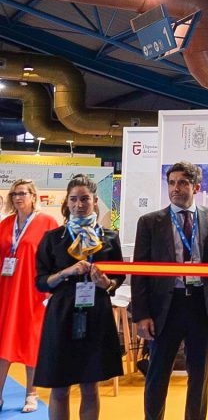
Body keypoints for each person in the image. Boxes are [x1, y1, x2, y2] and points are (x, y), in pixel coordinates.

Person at [132, 161, 208, 420]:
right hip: (165, 307)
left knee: (199, 376)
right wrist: (142, 315)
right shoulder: (150, 222)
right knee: (157, 374)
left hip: (201, 305)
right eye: (172, 183)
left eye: (183, 183)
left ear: (196, 187)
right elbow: (139, 272)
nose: (176, 188)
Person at [34, 174, 124, 420]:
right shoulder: (53, 238)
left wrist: (107, 283)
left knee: (90, 386)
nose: (79, 204)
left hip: (96, 314)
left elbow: (119, 276)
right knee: (59, 388)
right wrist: (66, 272)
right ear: (67, 201)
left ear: (95, 201)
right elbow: (41, 282)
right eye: (73, 199)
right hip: (62, 314)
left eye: (84, 199)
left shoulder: (109, 238)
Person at [0, 179, 58, 413]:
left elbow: (56, 259)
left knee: (31, 342)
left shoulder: (47, 223)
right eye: (14, 194)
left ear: (33, 196)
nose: (18, 198)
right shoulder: (5, 224)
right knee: (3, 342)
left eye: (22, 193)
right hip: (6, 292)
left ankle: (31, 394)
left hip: (34, 292)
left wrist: (52, 289)